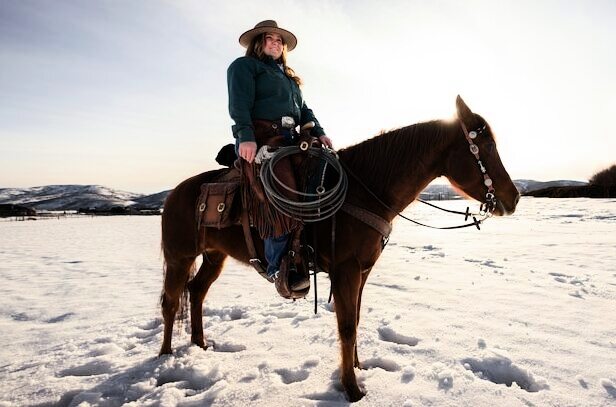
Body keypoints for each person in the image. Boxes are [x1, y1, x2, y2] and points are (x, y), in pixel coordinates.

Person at [227, 20, 332, 288]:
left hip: (293, 139)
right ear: (258, 43)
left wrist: (318, 131)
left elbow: (305, 110)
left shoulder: (289, 78)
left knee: (325, 174)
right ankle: (277, 265)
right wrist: (245, 137)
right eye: (269, 38)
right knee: (282, 191)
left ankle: (315, 247)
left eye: (279, 40)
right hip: (262, 137)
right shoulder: (245, 67)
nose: (275, 43)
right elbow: (239, 103)